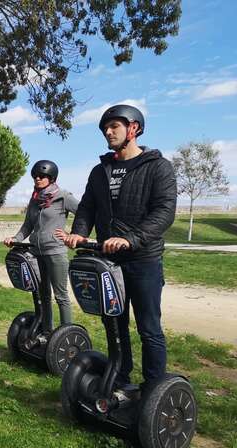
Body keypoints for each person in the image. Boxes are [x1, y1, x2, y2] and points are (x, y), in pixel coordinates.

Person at [56, 104, 177, 388]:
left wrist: (130, 238)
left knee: (148, 328)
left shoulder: (158, 167)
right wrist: (78, 233)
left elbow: (164, 212)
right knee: (114, 324)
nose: (108, 132)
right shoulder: (101, 171)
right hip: (109, 261)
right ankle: (120, 379)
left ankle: (154, 389)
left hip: (143, 260)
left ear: (133, 129)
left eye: (114, 127)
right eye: (105, 129)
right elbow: (87, 208)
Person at [4, 160, 78, 331]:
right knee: (42, 294)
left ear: (51, 178)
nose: (37, 179)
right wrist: (15, 238)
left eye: (42, 176)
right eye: (35, 176)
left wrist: (71, 234)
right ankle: (47, 332)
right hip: (36, 252)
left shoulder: (63, 196)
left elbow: (83, 213)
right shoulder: (35, 199)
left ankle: (66, 334)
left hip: (56, 252)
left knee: (61, 296)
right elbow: (28, 225)